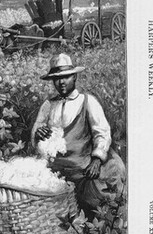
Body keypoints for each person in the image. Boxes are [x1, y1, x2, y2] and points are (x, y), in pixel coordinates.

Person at [31, 53, 126, 220]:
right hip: (55, 169)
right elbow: (35, 132)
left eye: (66, 77)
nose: (61, 82)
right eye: (57, 78)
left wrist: (97, 160)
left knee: (96, 202)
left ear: (74, 77)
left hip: (82, 167)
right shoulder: (48, 105)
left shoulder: (87, 101)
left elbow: (102, 133)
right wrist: (38, 134)